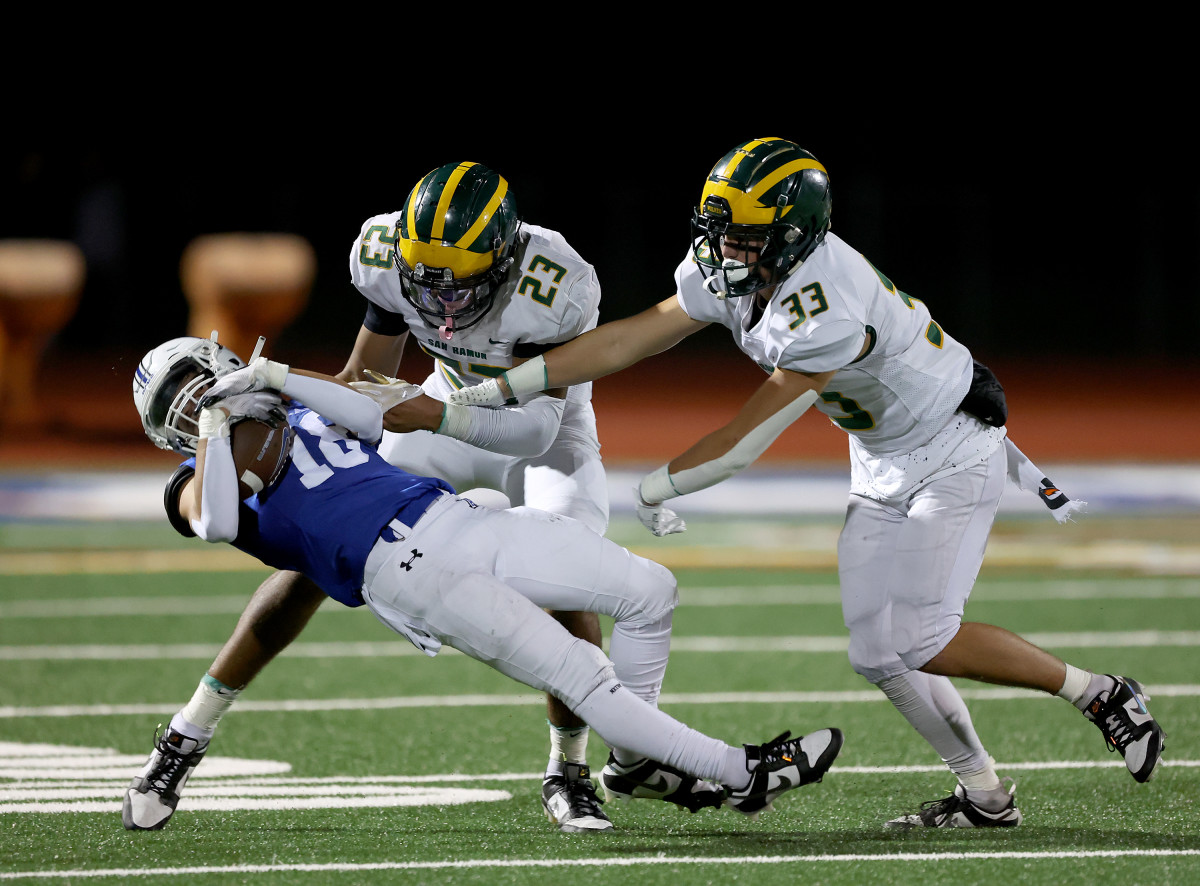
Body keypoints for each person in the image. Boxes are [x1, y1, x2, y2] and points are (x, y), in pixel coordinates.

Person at [447, 137, 1167, 828]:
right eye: (720, 231)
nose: (728, 249)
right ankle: (984, 792)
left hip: (954, 446)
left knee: (920, 635)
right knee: (877, 652)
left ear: (797, 232)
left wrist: (655, 487)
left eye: (748, 236)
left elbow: (742, 441)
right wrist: (500, 389)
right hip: (881, 451)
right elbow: (632, 336)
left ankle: (1098, 694)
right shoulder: (741, 269)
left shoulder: (825, 303)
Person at [130, 161, 666, 834]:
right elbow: (366, 375)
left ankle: (569, 768)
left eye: (460, 283)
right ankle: (187, 735)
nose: (442, 304)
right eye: (426, 283)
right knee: (318, 542)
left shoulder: (554, 281)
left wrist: (429, 414)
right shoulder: (383, 251)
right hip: (437, 405)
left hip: (537, 427)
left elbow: (534, 428)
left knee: (570, 584)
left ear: (503, 259)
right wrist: (289, 396)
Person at [121, 334, 844, 831]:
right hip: (409, 572)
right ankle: (739, 770)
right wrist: (215, 426)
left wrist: (278, 379)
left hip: (459, 519)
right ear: (168, 433)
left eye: (199, 383)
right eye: (178, 403)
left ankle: (633, 763)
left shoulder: (300, 408)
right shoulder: (193, 482)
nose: (195, 400)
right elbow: (216, 519)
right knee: (587, 678)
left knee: (652, 590)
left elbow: (369, 413)